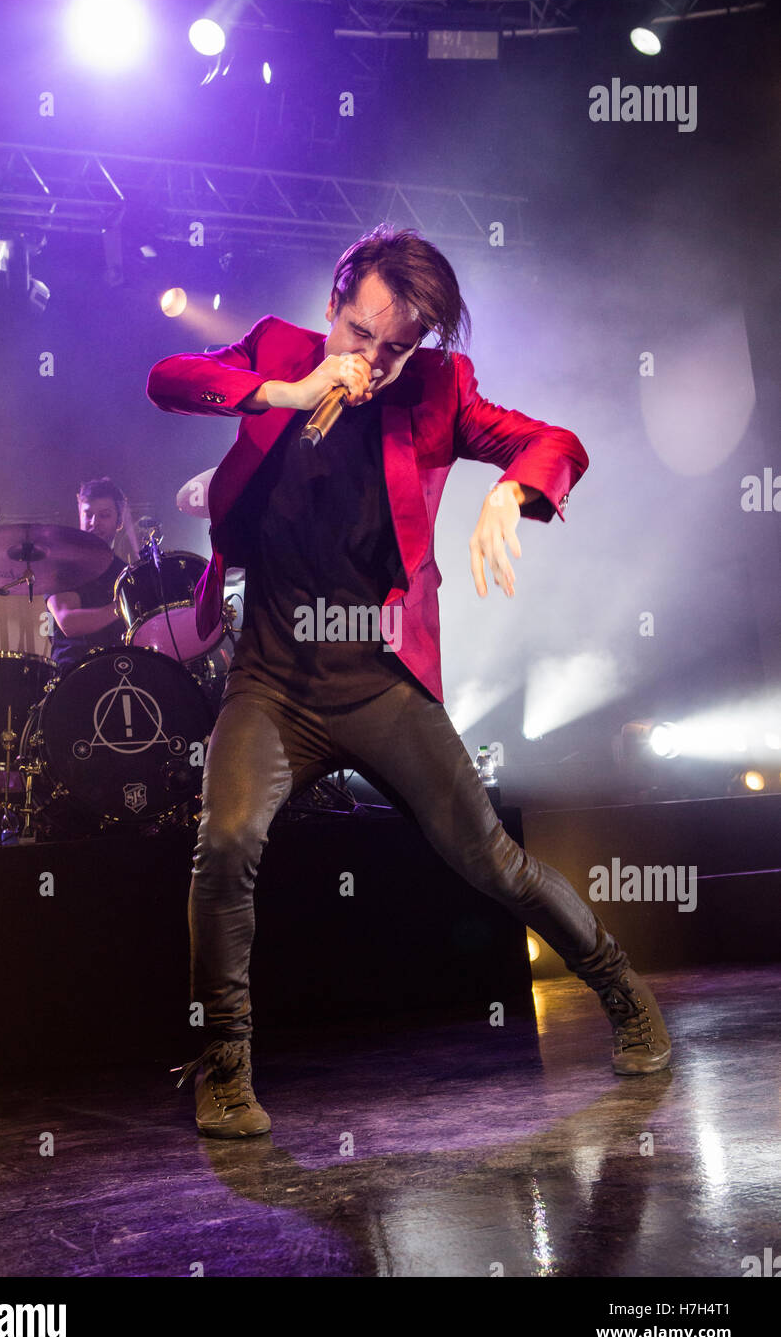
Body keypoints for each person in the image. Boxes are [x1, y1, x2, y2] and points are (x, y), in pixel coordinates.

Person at [146, 224, 671, 1140]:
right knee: (224, 843)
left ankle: (624, 993)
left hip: (382, 682)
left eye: (400, 345)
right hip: (270, 681)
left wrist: (513, 489)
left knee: (490, 860)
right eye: (361, 334)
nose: (377, 361)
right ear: (332, 306)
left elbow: (553, 441)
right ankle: (223, 1070)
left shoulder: (438, 389)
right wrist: (288, 388)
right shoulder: (278, 351)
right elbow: (169, 379)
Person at [46, 477, 135, 677]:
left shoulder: (127, 572)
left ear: (119, 522)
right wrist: (124, 606)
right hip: (72, 675)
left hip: (120, 673)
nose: (94, 523)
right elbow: (69, 622)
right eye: (88, 514)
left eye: (104, 515)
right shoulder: (63, 565)